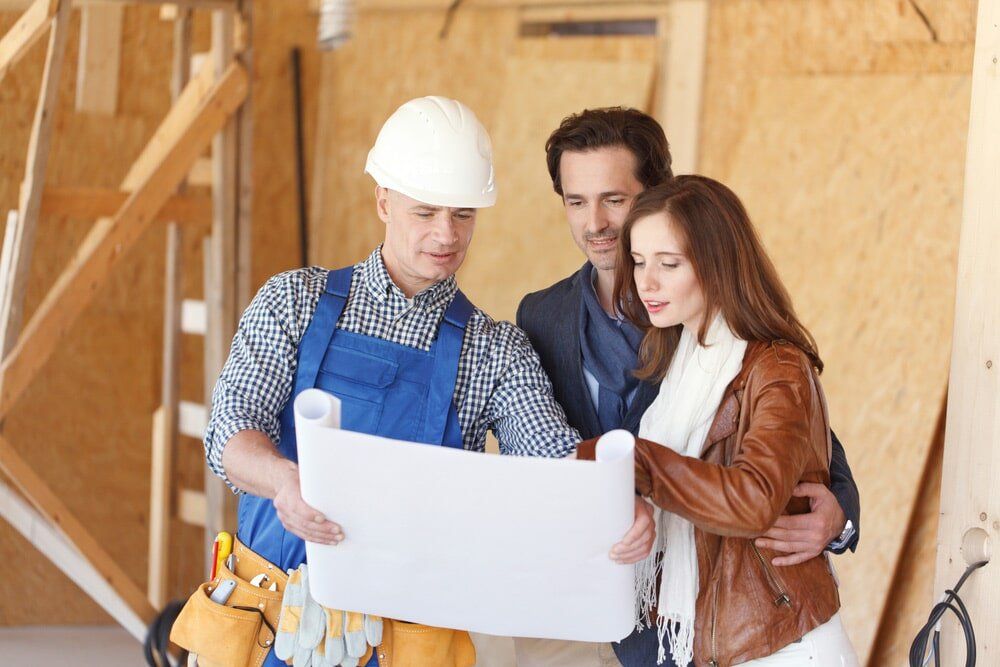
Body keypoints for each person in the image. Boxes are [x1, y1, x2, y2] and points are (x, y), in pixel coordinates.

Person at [203, 96, 655, 667]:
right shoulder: (293, 301)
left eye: (463, 214)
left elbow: (553, 459)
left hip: (411, 639)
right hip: (271, 617)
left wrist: (611, 504)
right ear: (383, 201)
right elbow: (229, 430)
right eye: (426, 212)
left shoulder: (495, 350)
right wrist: (283, 481)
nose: (446, 235)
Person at [517, 108, 860, 666]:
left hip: (734, 615)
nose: (595, 222)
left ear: (657, 193)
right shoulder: (544, 315)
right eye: (576, 202)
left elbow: (801, 443)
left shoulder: (713, 328)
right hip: (632, 608)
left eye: (614, 199)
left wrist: (839, 515)